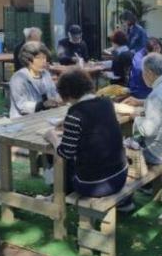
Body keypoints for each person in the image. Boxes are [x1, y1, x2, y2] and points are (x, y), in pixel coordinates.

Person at [43, 69, 128, 197]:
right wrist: (68, 122)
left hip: (94, 185)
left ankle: (56, 194)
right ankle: (56, 191)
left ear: (66, 94)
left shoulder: (75, 113)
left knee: (59, 157)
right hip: (120, 175)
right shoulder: (106, 103)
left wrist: (52, 137)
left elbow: (65, 153)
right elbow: (92, 122)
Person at [9, 41, 60, 119]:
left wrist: (58, 99)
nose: (43, 61)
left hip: (46, 117)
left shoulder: (46, 74)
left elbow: (54, 94)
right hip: (23, 120)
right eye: (38, 58)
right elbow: (21, 106)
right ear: (28, 60)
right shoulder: (18, 78)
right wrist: (43, 105)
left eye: (44, 57)